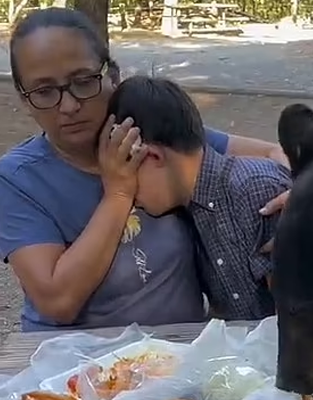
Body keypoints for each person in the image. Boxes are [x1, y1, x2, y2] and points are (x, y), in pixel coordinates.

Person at [0, 7, 289, 332]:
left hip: (179, 355)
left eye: (83, 82)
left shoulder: (150, 134)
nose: (69, 106)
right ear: (24, 100)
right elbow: (58, 302)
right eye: (44, 92)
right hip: (72, 364)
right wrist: (119, 194)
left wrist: (305, 194)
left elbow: (273, 152)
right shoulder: (18, 179)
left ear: (112, 76)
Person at [108, 76, 291, 319]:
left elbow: (293, 321)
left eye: (126, 173)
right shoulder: (189, 208)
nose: (129, 195)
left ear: (151, 156)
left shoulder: (256, 190)